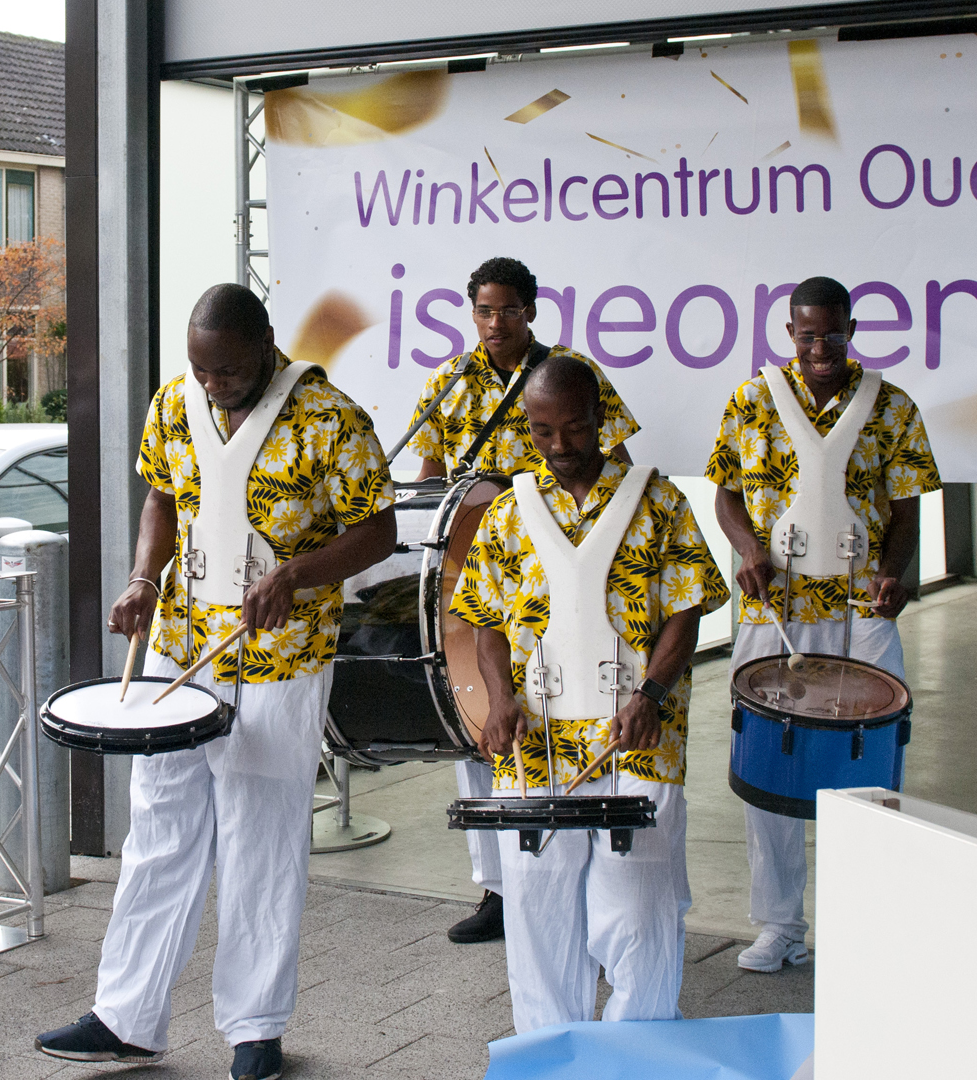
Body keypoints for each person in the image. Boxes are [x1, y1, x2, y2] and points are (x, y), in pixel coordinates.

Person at [35, 285, 397, 1080]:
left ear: (267, 342)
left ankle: (255, 1028)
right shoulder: (176, 400)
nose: (212, 384)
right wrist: (142, 577)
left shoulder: (331, 417)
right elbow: (163, 496)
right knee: (159, 828)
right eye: (201, 370)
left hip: (282, 657)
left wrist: (298, 575)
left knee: (260, 840)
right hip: (180, 648)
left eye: (227, 370)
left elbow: (380, 529)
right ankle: (126, 1016)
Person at [450, 356, 727, 1031]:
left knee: (636, 910)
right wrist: (500, 699)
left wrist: (652, 696)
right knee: (537, 907)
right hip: (536, 741)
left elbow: (685, 614)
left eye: (574, 428)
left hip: (636, 736)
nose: (561, 446)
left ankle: (640, 1050)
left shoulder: (660, 503)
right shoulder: (509, 512)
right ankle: (550, 1051)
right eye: (543, 432)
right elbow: (485, 623)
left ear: (602, 418)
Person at [402, 257, 641, 946]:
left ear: (531, 311)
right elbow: (429, 481)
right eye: (483, 310)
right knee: (479, 718)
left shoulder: (570, 375)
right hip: (474, 580)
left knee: (558, 715)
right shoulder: (445, 383)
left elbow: (613, 472)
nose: (494, 323)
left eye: (507, 310)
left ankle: (580, 883)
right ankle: (499, 889)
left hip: (558, 578)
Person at [706, 276, 940, 973]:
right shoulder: (751, 401)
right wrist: (748, 549)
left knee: (868, 768)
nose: (819, 348)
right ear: (789, 333)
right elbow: (725, 495)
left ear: (851, 328)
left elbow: (905, 511)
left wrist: (895, 573)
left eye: (831, 334)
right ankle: (781, 927)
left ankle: (867, 924)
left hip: (857, 613)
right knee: (770, 772)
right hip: (773, 614)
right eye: (806, 335)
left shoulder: (891, 408)